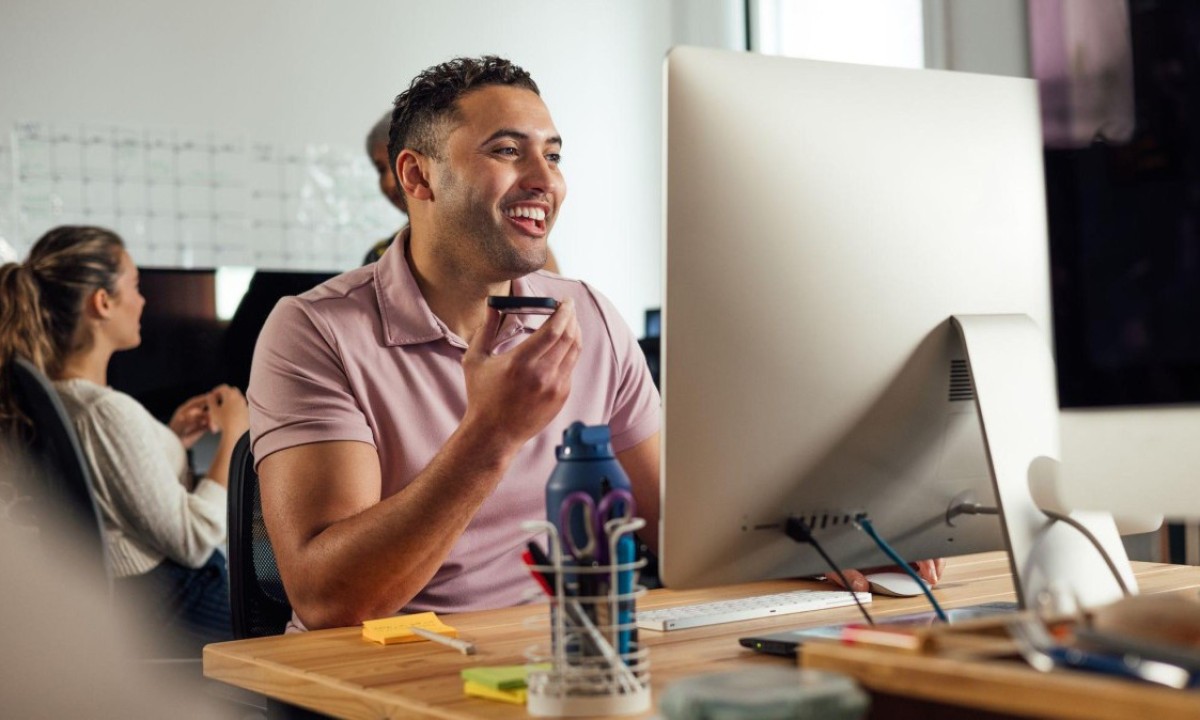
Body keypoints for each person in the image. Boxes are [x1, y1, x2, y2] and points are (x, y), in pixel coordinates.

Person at [249, 56, 655, 631]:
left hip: (559, 661)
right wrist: (494, 431)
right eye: (508, 151)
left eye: (554, 155)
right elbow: (329, 602)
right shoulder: (314, 330)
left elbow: (681, 533)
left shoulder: (589, 315)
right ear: (417, 177)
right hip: (388, 671)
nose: (545, 179)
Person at [0, 225, 249, 653]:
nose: (142, 299)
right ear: (102, 302)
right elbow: (193, 539)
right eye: (134, 286)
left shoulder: (61, 398)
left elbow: (116, 489)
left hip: (141, 599)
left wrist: (170, 439)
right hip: (174, 604)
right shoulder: (105, 413)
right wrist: (235, 437)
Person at [361, 109, 560, 272]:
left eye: (552, 156)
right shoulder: (379, 256)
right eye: (381, 169)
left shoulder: (514, 245)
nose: (390, 181)